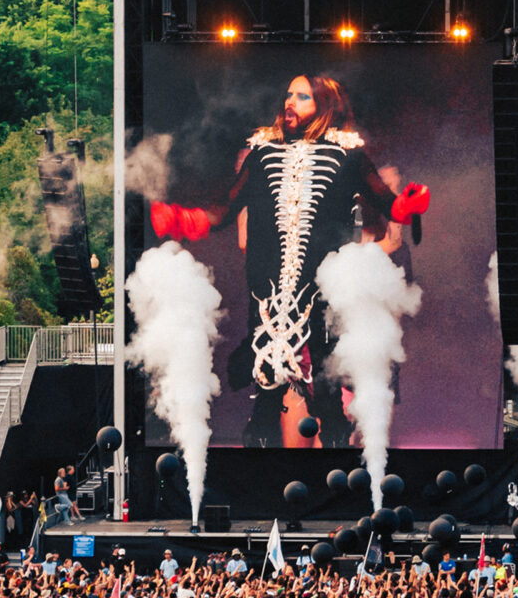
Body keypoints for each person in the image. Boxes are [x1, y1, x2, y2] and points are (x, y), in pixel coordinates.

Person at [150, 74, 432, 448]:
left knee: (329, 395)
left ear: (324, 106)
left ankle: (335, 479)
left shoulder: (348, 156)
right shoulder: (263, 154)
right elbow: (227, 207)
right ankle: (262, 477)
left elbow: (385, 201)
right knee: (265, 396)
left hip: (324, 291)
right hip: (267, 294)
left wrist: (406, 205)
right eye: (288, 95)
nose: (290, 102)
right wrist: (187, 220)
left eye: (302, 97)